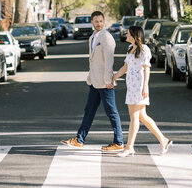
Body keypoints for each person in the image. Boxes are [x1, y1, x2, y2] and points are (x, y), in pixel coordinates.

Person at [61, 11, 124, 152]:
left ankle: (118, 142)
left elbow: (109, 60)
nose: (99, 23)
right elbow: (93, 60)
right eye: (96, 21)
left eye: (101, 21)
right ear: (92, 22)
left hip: (105, 82)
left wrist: (109, 80)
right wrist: (90, 77)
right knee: (88, 110)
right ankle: (79, 140)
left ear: (104, 21)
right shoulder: (92, 38)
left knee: (111, 112)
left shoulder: (107, 37)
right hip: (94, 81)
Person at [111, 25, 172, 157]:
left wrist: (145, 86)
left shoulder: (144, 49)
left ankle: (129, 147)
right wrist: (114, 77)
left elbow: (146, 69)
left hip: (139, 87)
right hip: (131, 87)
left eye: (128, 34)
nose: (126, 36)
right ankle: (163, 140)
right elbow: (125, 67)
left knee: (134, 118)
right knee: (142, 117)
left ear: (134, 35)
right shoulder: (130, 48)